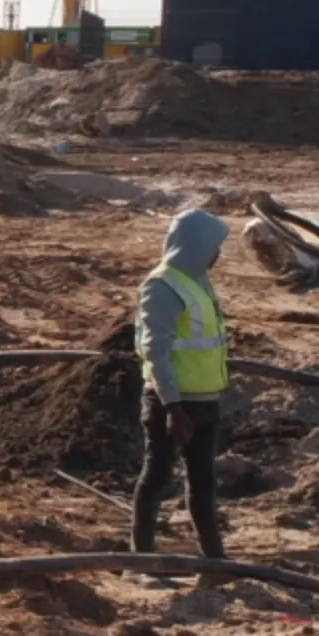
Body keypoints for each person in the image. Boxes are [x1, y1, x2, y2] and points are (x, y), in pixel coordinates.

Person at [133, 209, 230, 560]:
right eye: (213, 246)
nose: (218, 254)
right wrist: (172, 407)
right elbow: (155, 352)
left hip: (205, 400)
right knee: (156, 477)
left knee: (203, 483)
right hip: (173, 404)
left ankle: (215, 559)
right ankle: (141, 555)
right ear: (195, 245)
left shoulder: (198, 279)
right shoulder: (163, 286)